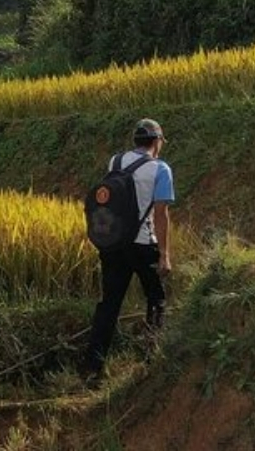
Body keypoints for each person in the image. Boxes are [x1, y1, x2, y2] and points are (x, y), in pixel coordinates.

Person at [81, 118, 176, 384]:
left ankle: (93, 369)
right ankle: (151, 362)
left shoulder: (115, 162)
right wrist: (165, 255)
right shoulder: (160, 169)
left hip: (113, 244)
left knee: (109, 305)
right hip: (143, 244)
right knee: (156, 299)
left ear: (136, 141)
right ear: (156, 142)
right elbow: (161, 215)